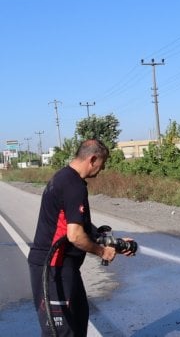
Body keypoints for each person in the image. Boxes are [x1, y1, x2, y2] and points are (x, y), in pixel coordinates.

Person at [27, 139, 135, 336]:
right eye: (101, 164)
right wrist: (103, 252)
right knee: (62, 332)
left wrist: (114, 243)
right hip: (52, 268)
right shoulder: (73, 185)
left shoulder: (65, 178)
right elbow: (75, 236)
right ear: (92, 159)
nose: (101, 170)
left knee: (78, 322)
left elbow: (81, 227)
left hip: (66, 267)